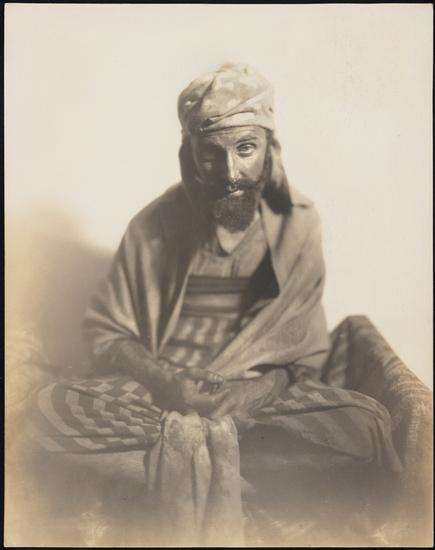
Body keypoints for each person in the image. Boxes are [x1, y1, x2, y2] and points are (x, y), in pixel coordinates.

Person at [28, 63, 402, 545]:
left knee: (365, 427)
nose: (230, 173)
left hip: (258, 399)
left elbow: (302, 350)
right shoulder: (151, 227)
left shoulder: (298, 225)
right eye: (211, 154)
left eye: (245, 149)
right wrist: (166, 380)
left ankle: (177, 469)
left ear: (270, 147)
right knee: (44, 411)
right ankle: (246, 478)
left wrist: (253, 392)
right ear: (189, 156)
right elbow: (105, 332)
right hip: (158, 396)